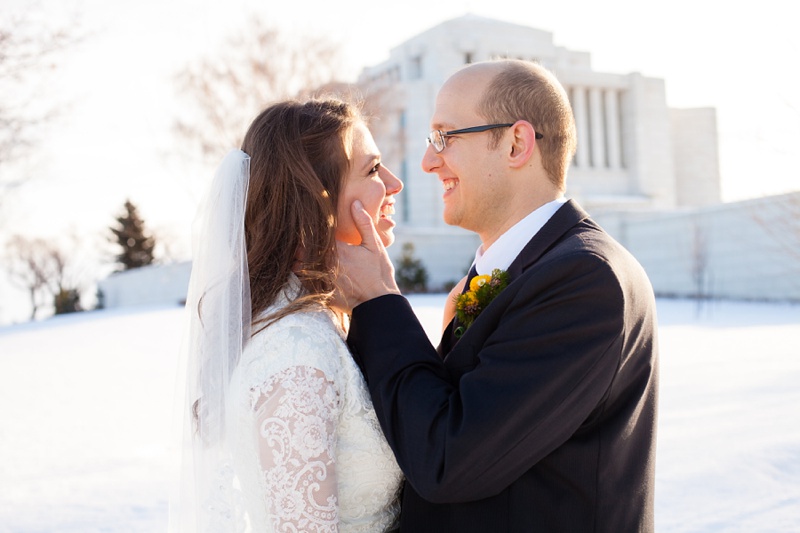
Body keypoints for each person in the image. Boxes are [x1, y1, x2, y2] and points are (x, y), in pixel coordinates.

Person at [336, 59, 659, 532]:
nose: (428, 161)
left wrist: (379, 301)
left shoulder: (586, 279)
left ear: (516, 143)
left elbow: (450, 458)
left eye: (445, 137)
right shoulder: (509, 271)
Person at [175, 98, 404, 532]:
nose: (394, 184)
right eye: (373, 170)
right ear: (317, 201)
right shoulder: (296, 354)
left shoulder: (321, 323)